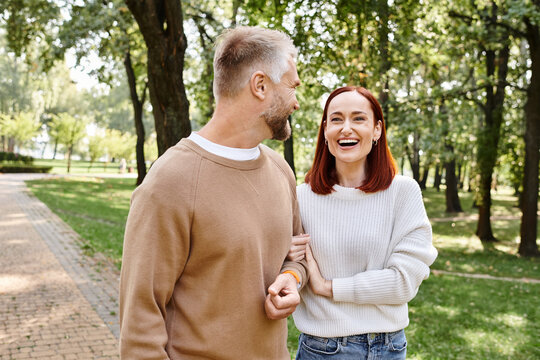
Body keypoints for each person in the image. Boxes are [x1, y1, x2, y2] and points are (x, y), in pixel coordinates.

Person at [119, 26, 307, 359]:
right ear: (260, 86)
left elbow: (295, 254)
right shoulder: (169, 182)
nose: (296, 101)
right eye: (292, 86)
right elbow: (139, 322)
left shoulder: (282, 172)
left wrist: (292, 277)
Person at [288, 86, 438, 359]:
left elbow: (404, 282)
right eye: (336, 119)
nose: (346, 128)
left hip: (389, 348)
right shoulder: (300, 198)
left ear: (377, 129)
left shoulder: (403, 192)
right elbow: (291, 266)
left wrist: (327, 287)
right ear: (325, 130)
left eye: (358, 118)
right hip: (323, 349)